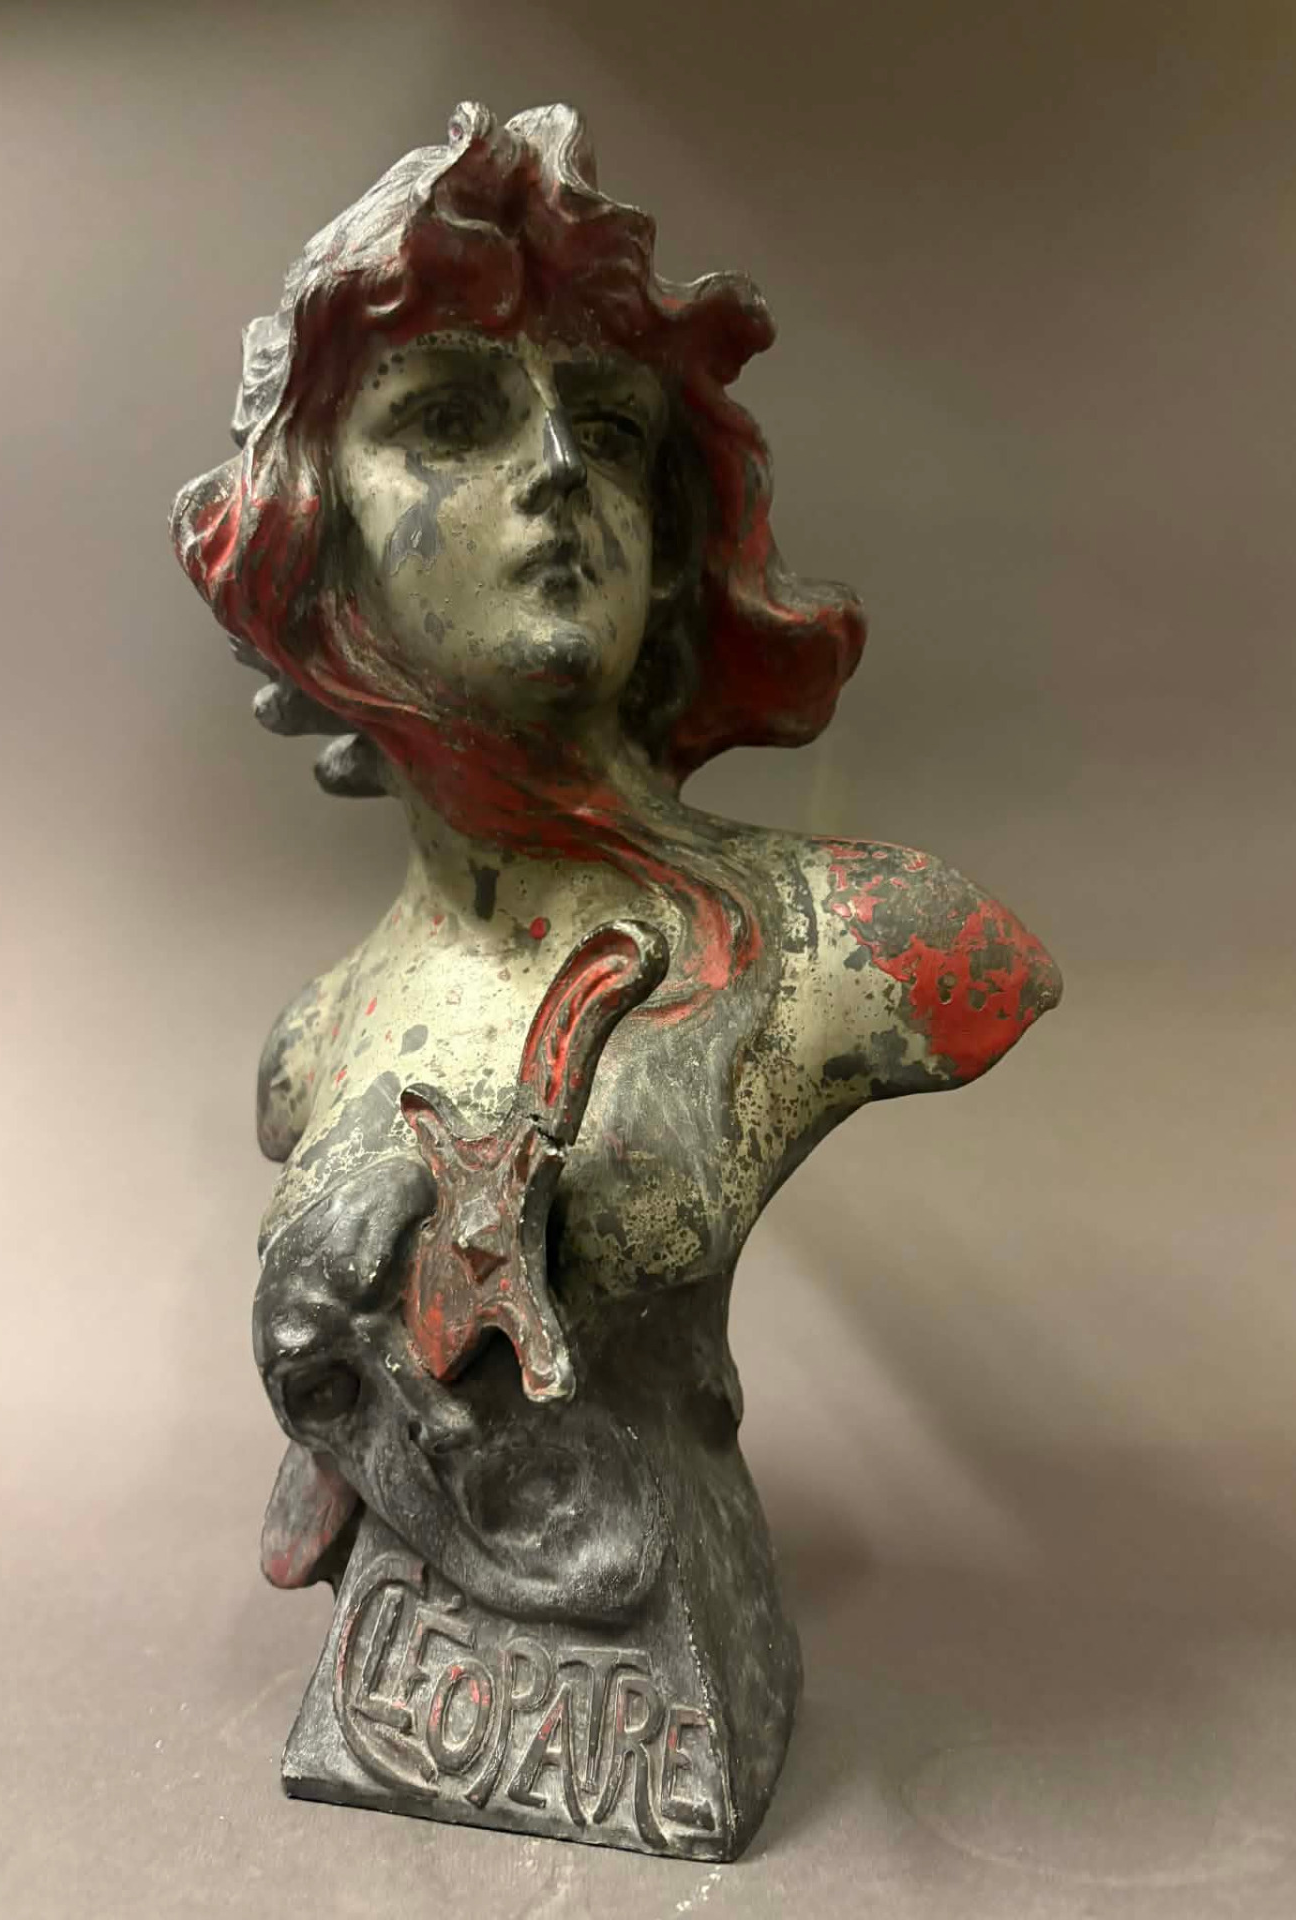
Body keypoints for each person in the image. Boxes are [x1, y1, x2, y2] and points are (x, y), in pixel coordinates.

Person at [172, 100, 1061, 1845]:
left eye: (611, 426)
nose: (561, 470)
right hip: (466, 1687)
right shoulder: (317, 1046)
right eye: (450, 418)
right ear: (307, 549)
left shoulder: (870, 947)